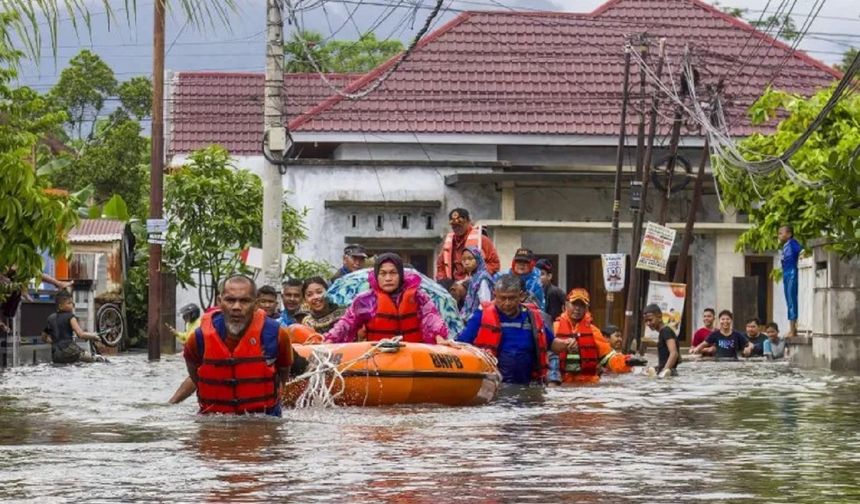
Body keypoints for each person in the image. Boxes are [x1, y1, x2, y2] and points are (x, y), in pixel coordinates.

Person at [182, 275, 294, 416]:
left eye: (245, 301)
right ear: (219, 302)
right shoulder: (198, 338)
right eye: (230, 300)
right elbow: (194, 374)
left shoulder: (277, 335)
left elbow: (284, 371)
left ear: (256, 304)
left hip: (264, 418)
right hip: (214, 419)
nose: (236, 307)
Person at [458, 274, 574, 385]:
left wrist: (567, 344)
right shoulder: (481, 315)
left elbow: (552, 343)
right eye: (502, 298)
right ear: (495, 295)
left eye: (512, 298)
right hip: (493, 384)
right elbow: (460, 344)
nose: (507, 303)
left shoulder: (532, 317)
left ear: (521, 296)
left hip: (528, 384)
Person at [325, 253, 449, 344]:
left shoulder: (418, 297)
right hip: (379, 356)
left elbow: (431, 317)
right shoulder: (365, 300)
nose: (388, 278)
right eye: (383, 273)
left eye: (393, 273)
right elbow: (347, 322)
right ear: (376, 276)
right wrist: (330, 339)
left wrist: (439, 337)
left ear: (400, 275)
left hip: (413, 355)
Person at [553, 288, 643, 383]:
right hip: (561, 383)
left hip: (589, 384)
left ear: (586, 308)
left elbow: (609, 358)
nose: (577, 308)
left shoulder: (594, 331)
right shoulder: (554, 328)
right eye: (574, 304)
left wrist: (627, 362)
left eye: (582, 305)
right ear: (566, 305)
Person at [435, 208, 500, 281]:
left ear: (468, 222)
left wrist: (477, 276)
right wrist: (443, 280)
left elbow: (495, 264)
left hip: (475, 282)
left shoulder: (482, 240)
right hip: (454, 283)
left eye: (460, 225)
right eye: (454, 226)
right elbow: (441, 265)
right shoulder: (449, 242)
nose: (457, 228)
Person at [41, 291, 102, 364]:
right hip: (70, 350)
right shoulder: (70, 317)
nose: (72, 304)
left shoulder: (50, 318)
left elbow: (43, 337)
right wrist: (93, 336)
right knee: (95, 359)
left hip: (56, 354)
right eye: (69, 303)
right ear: (60, 306)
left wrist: (54, 342)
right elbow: (81, 334)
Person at [778, 225, 803, 338]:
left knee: (792, 301)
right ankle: (792, 328)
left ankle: (793, 330)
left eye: (781, 233)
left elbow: (802, 252)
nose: (779, 235)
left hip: (792, 274)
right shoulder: (785, 246)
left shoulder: (793, 244)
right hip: (787, 274)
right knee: (789, 301)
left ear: (789, 234)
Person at [642, 304, 680, 377]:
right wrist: (657, 368)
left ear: (659, 317)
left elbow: (674, 353)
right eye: (646, 321)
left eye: (650, 320)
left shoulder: (666, 331)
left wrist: (664, 371)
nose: (648, 323)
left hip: (669, 374)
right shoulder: (663, 332)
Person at [460, 246, 495, 321]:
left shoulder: (482, 278)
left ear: (478, 259)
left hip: (478, 320)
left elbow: (485, 304)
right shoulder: (474, 277)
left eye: (470, 259)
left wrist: (474, 319)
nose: (466, 262)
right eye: (464, 259)